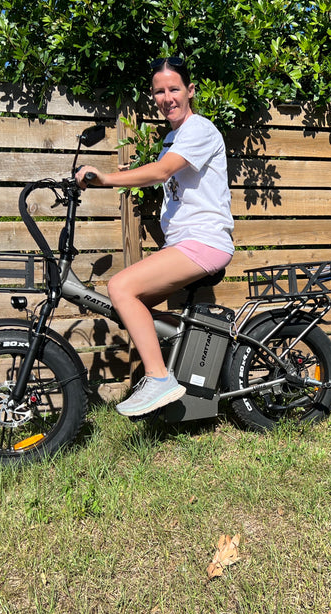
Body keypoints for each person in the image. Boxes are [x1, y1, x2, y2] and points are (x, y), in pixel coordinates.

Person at [75, 57, 234, 417]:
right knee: (137, 307)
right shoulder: (173, 138)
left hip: (204, 241)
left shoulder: (200, 129)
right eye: (159, 91)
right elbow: (166, 173)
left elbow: (162, 171)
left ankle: (159, 378)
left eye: (174, 88)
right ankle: (201, 347)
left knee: (121, 288)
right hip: (185, 243)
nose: (167, 97)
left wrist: (105, 180)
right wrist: (134, 172)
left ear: (190, 91)